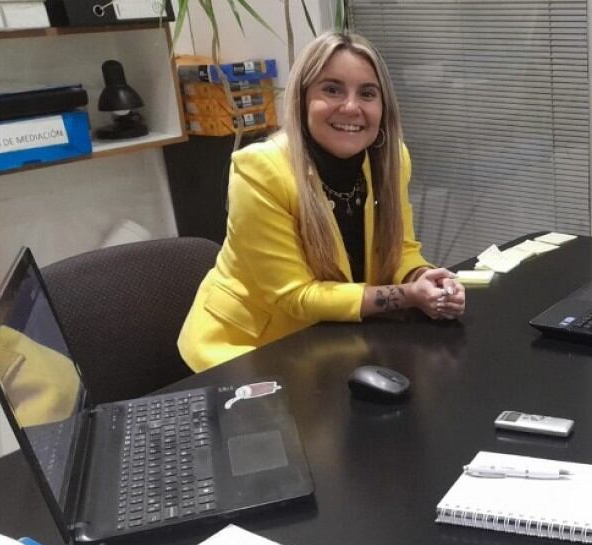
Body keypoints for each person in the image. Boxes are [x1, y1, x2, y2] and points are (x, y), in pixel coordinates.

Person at [179, 32, 465, 372]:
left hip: (331, 341)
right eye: (332, 89)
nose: (351, 106)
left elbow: (401, 249)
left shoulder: (391, 161)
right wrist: (406, 295)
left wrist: (427, 279)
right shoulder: (260, 169)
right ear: (302, 100)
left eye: (367, 93)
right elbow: (296, 297)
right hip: (246, 351)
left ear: (382, 106)